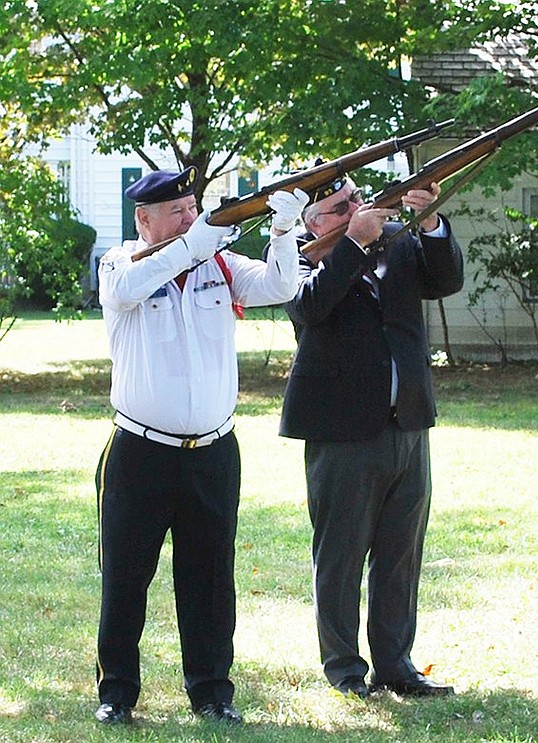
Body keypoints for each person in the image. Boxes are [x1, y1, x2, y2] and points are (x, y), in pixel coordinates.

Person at [94, 166, 309, 725]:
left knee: (210, 578)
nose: (192, 218)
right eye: (177, 211)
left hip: (213, 451)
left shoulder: (218, 262)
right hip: (140, 452)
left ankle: (212, 691)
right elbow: (129, 288)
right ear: (144, 220)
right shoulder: (121, 263)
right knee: (125, 577)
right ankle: (116, 693)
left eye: (194, 207)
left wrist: (284, 233)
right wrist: (195, 242)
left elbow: (280, 287)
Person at [278, 175, 463, 698]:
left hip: (407, 420)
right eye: (341, 207)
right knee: (340, 556)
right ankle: (343, 670)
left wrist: (429, 222)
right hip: (341, 430)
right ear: (314, 222)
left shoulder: (399, 241)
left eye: (357, 199)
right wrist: (354, 243)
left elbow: (446, 280)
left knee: (401, 552)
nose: (358, 209)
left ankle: (396, 665)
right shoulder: (294, 256)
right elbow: (309, 308)